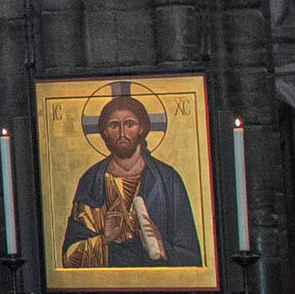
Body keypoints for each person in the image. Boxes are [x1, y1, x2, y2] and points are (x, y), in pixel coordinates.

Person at [59, 92, 204, 272]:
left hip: (159, 287)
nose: (122, 133)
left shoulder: (167, 179)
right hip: (106, 287)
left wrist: (162, 247)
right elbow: (69, 258)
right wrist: (104, 238)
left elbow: (191, 256)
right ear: (104, 132)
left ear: (141, 128)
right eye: (114, 125)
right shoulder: (91, 180)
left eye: (129, 124)